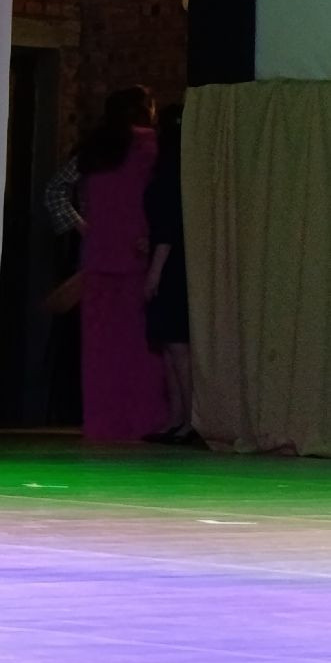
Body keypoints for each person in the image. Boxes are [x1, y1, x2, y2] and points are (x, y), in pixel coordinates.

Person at [71, 86, 168, 441]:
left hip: (98, 259)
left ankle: (103, 422)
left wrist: (86, 227)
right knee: (141, 351)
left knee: (100, 351)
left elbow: (54, 194)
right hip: (137, 257)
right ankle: (145, 421)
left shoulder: (92, 149)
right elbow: (164, 197)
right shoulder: (150, 147)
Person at [143, 104, 197, 444]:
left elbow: (168, 228)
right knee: (169, 346)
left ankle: (188, 419)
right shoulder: (177, 168)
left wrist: (154, 271)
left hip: (172, 265)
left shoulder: (171, 173)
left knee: (177, 345)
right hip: (171, 260)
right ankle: (177, 418)